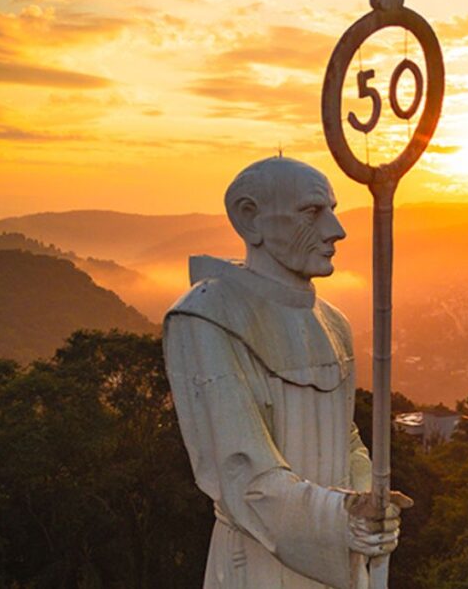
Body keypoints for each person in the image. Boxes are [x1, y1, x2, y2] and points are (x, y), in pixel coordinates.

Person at [163, 156, 409, 588]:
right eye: (313, 212)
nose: (336, 230)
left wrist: (370, 499)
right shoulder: (205, 318)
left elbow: (344, 434)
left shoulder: (333, 323)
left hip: (340, 562)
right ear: (249, 218)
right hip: (256, 566)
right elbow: (240, 469)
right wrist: (340, 516)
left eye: (332, 209)